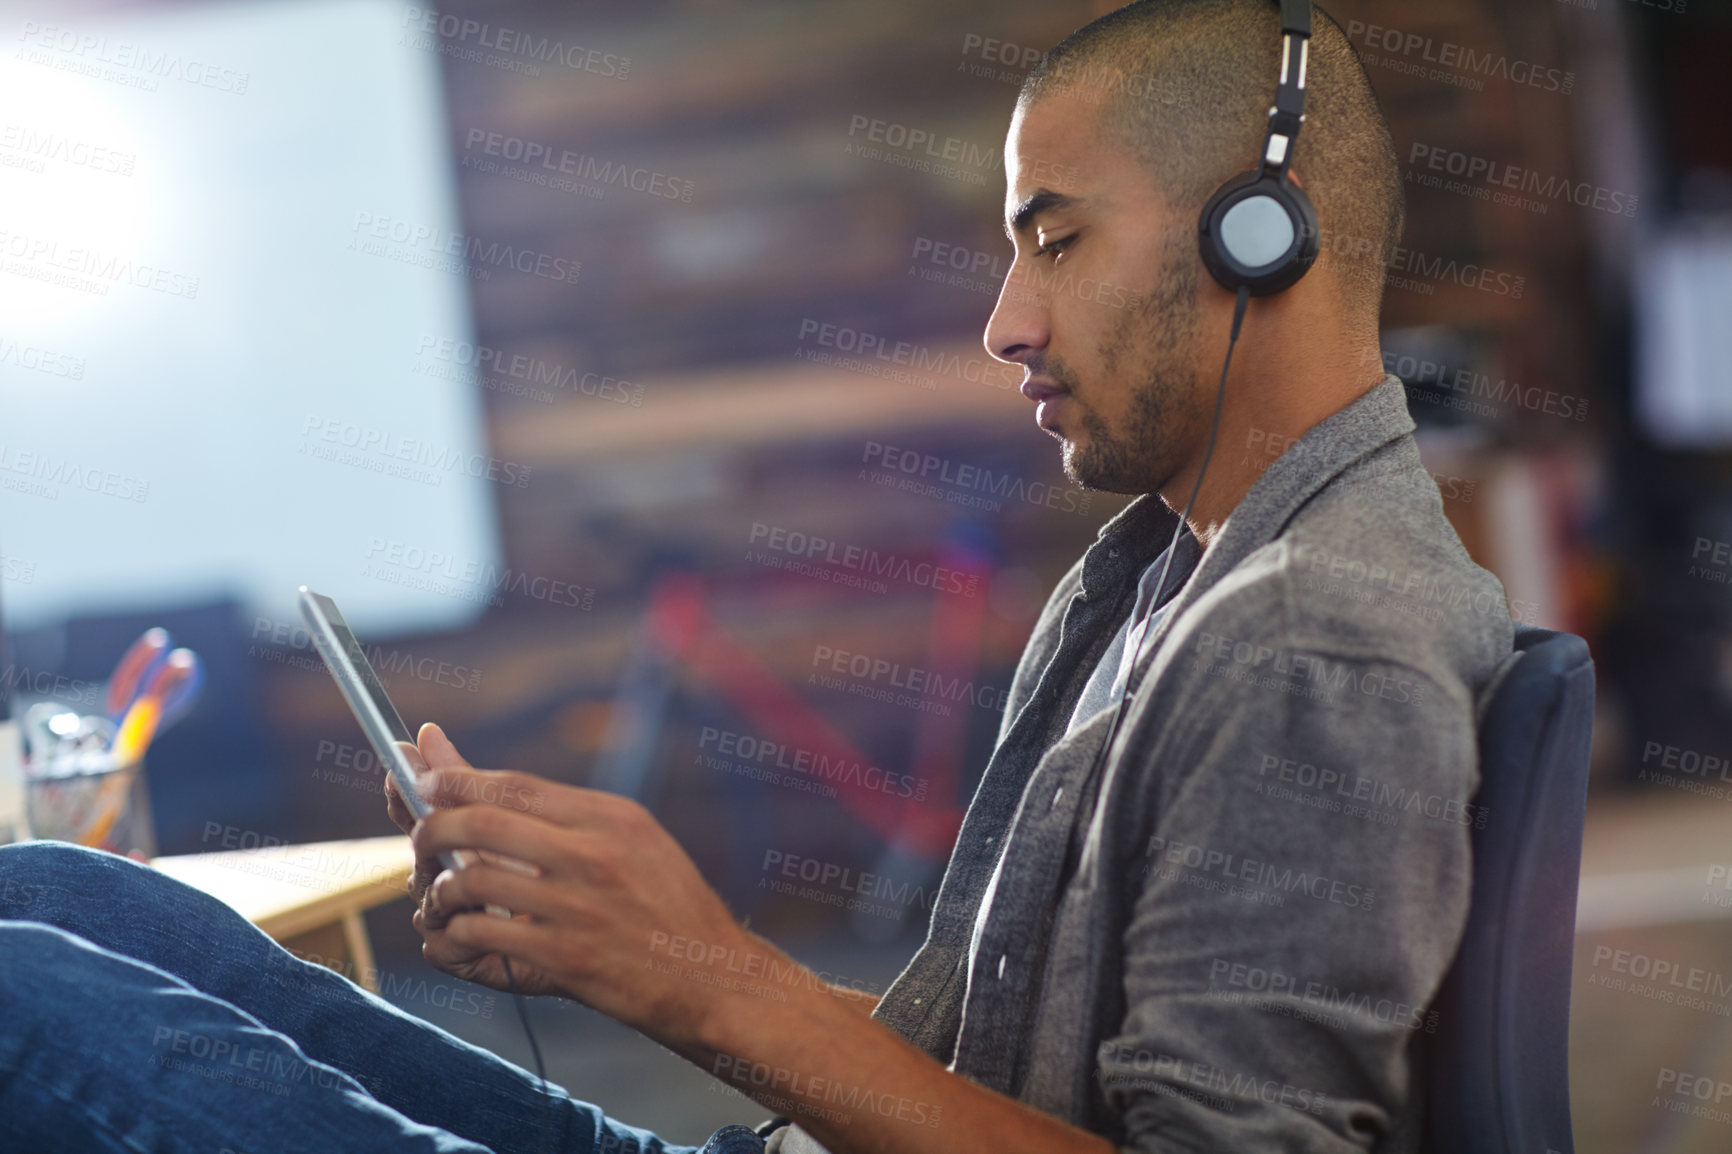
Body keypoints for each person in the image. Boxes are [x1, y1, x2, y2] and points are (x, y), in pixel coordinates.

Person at [0, 1, 1517, 1151]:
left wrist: (699, 970)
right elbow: (973, 1062)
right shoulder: (1161, 576)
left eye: (1052, 242)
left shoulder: (1317, 638)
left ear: (1265, 239)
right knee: (62, 897)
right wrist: (614, 944)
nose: (1003, 321)